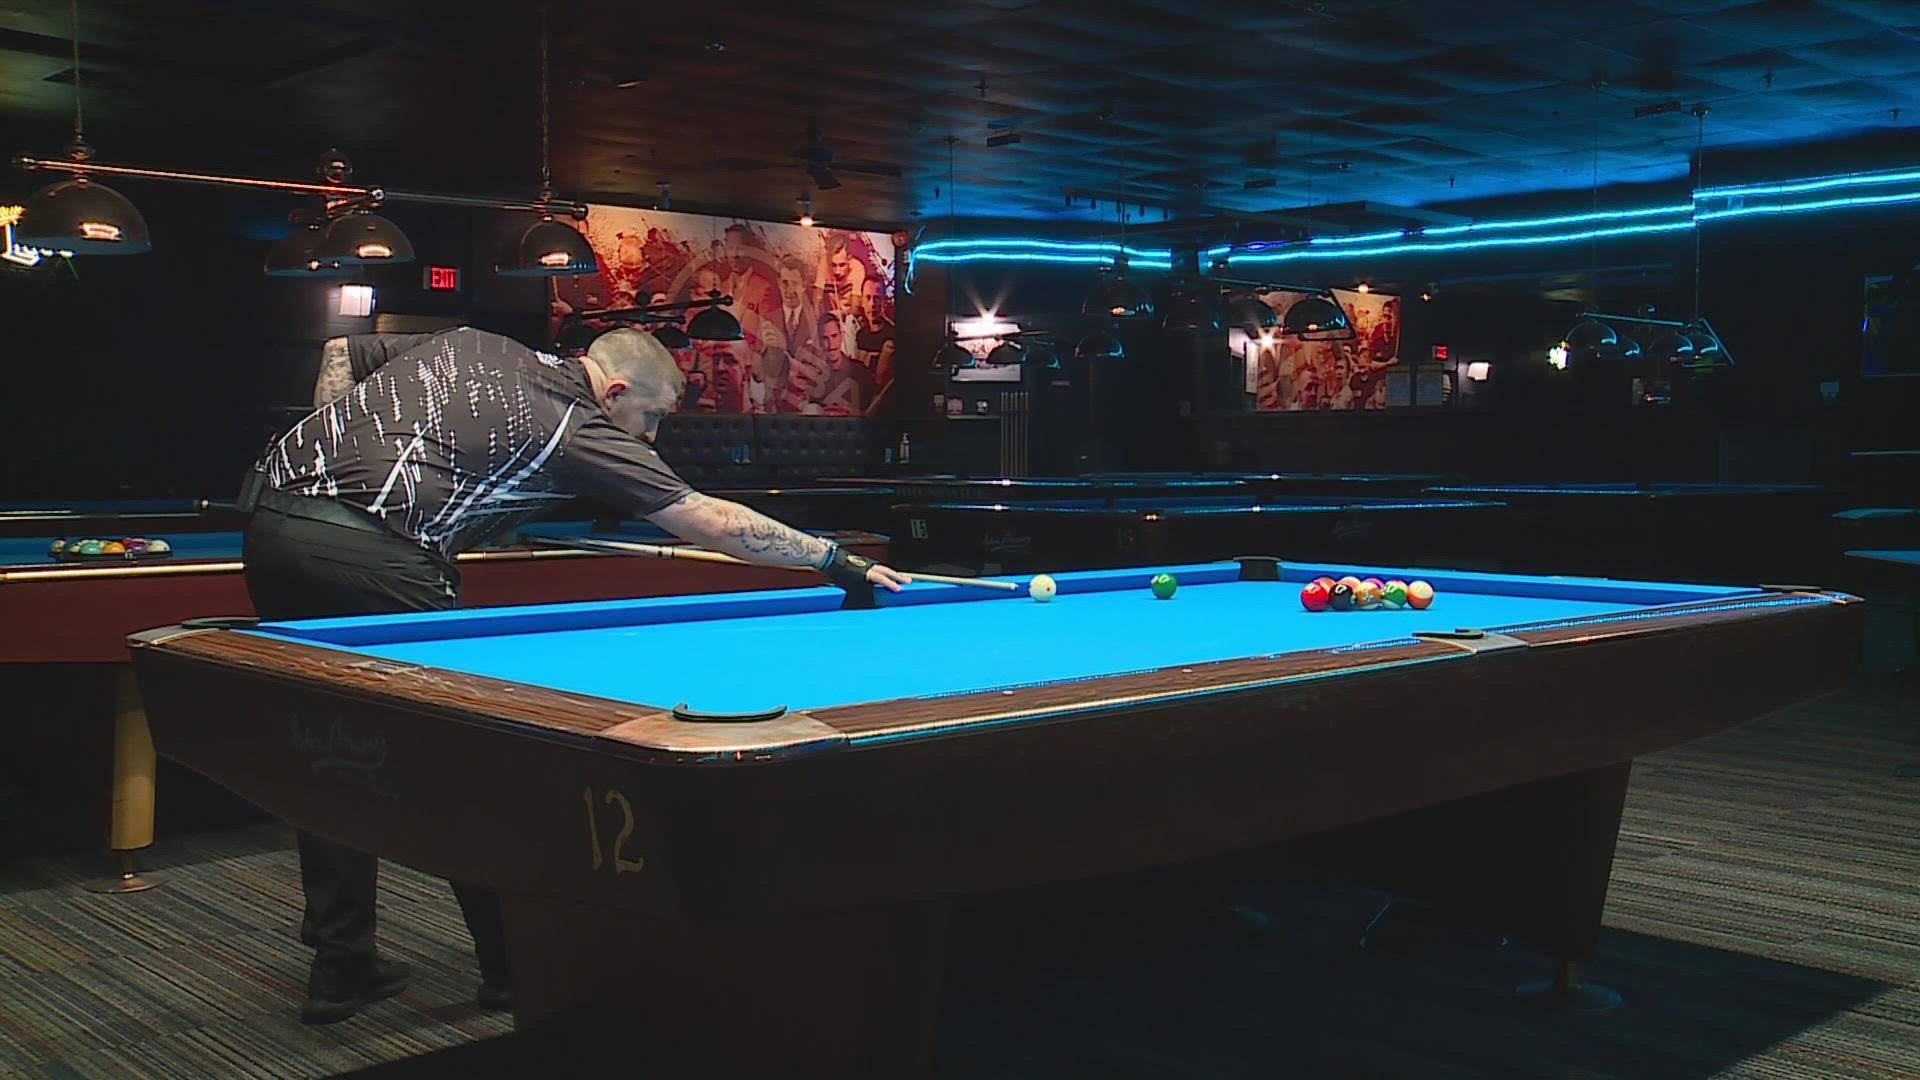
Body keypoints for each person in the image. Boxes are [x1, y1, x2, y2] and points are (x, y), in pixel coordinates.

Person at [242, 326, 910, 1025]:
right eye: (650, 417)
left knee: (329, 745)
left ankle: (340, 966)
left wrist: (335, 454)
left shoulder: (478, 342)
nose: (649, 438)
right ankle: (511, 971)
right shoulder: (577, 425)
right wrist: (835, 560)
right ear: (614, 391)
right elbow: (706, 521)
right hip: (379, 557)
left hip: (270, 523)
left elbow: (341, 353)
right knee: (461, 770)